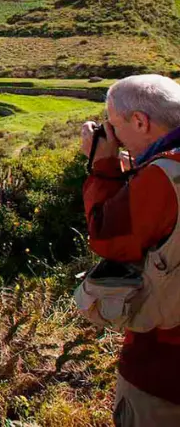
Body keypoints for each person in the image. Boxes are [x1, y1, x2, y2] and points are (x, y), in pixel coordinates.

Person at [81, 74, 180, 426]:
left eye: (114, 125)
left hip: (165, 365)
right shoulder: (159, 171)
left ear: (140, 121)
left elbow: (108, 237)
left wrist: (103, 164)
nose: (113, 135)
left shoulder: (165, 176)